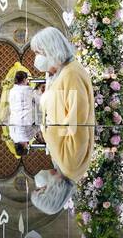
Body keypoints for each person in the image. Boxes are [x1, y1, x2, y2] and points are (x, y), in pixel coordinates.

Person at [31, 26, 94, 185]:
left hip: (70, 156)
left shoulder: (71, 73)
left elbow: (77, 121)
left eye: (40, 53)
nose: (37, 58)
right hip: (64, 156)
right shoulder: (63, 73)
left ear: (51, 50)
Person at [7, 70, 37, 144]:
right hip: (17, 121)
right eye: (27, 79)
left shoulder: (12, 91)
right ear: (24, 79)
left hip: (22, 120)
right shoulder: (12, 136)